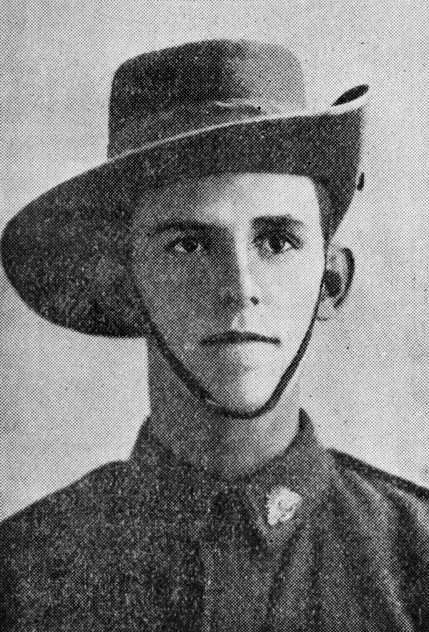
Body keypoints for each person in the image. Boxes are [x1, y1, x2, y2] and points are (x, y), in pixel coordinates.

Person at [0, 39, 428, 632]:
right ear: (126, 285)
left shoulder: (415, 565)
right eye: (189, 245)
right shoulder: (21, 573)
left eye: (276, 241)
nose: (239, 287)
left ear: (330, 283)